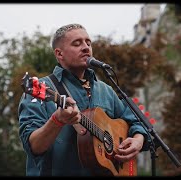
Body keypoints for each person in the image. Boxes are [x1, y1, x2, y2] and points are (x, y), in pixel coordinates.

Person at [18, 23, 150, 176]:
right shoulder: (41, 89)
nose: (86, 47)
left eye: (88, 42)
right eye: (77, 43)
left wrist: (138, 139)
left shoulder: (106, 90)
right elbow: (33, 146)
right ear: (59, 54)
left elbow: (135, 120)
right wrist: (57, 120)